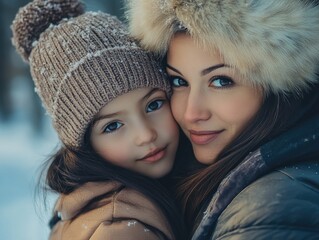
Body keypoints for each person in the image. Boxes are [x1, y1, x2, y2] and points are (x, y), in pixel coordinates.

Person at [126, 0, 319, 239]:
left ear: (278, 89)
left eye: (221, 81)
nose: (191, 113)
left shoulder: (272, 209)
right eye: (179, 81)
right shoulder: (189, 174)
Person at [11, 0, 187, 239]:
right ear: (83, 144)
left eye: (153, 105)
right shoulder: (122, 230)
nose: (146, 134)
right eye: (112, 126)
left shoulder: (86, 202)